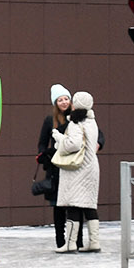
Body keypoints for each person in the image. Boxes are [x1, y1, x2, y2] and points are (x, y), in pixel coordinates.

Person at [52, 90, 101, 253]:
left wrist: (59, 138)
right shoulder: (92, 121)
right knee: (89, 205)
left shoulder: (75, 123)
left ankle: (71, 244)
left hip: (77, 169)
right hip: (91, 166)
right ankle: (94, 242)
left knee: (72, 204)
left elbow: (73, 144)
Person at [35, 84, 70, 248]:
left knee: (73, 204)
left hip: (73, 166)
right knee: (58, 205)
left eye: (66, 99)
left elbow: (95, 133)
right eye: (60, 100)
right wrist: (45, 156)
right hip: (56, 167)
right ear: (55, 103)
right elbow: (42, 143)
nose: (64, 102)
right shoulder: (50, 120)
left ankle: (75, 239)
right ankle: (60, 240)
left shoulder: (77, 118)